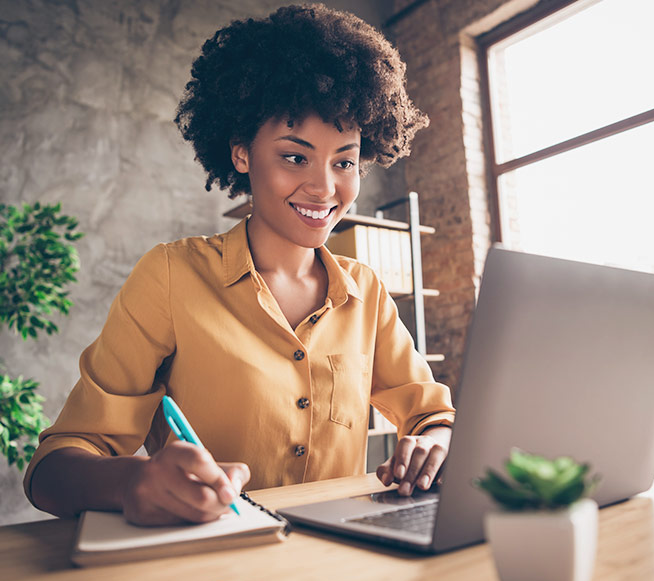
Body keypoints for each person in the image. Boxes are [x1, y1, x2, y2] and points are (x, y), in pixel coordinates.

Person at [24, 4, 455, 526]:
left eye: (344, 161)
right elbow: (52, 471)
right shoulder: (170, 277)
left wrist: (435, 442)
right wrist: (135, 480)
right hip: (213, 566)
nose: (325, 188)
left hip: (341, 566)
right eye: (295, 157)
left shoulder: (365, 291)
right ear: (242, 154)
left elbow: (432, 414)